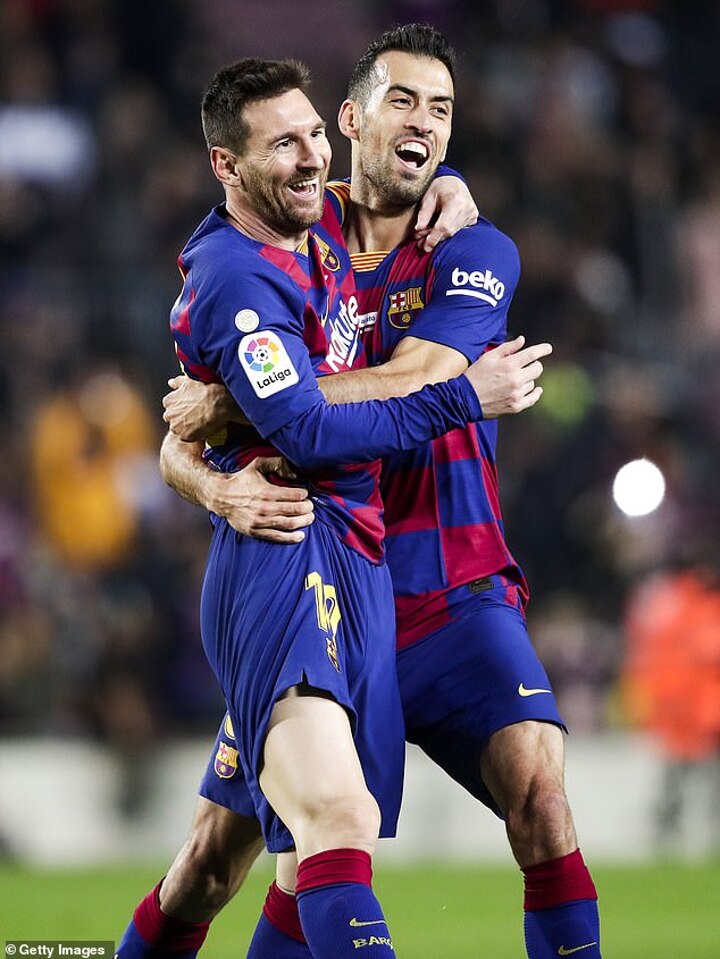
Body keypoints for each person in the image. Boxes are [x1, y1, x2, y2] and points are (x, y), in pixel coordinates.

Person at [116, 51, 530, 959]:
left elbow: (388, 175)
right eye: (283, 144)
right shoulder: (240, 277)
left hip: (355, 556)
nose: (309, 158)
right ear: (227, 166)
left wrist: (450, 181)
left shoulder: (320, 231)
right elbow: (302, 427)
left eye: (311, 136)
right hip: (285, 548)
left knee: (240, 868)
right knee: (336, 820)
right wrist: (466, 396)